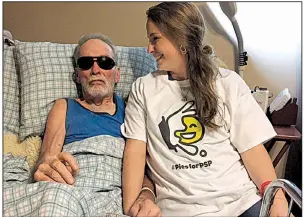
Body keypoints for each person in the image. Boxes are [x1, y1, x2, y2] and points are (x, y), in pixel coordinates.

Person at [122, 2, 289, 217]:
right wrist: (131, 207)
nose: (149, 49)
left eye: (155, 39)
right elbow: (135, 151)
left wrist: (275, 197)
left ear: (179, 39)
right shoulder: (144, 89)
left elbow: (252, 151)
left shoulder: (228, 83)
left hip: (241, 204)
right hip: (180, 209)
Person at [31, 33, 156, 215]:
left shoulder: (132, 110)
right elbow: (46, 159)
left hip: (115, 198)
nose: (95, 70)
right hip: (70, 192)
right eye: (86, 63)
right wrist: (48, 169)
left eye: (105, 62)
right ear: (77, 75)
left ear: (117, 74)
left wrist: (146, 194)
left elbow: (146, 171)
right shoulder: (64, 107)